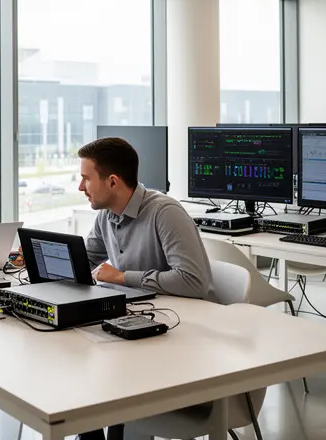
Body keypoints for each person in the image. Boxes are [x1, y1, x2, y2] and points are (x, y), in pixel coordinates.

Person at [75, 137, 215, 440]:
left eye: (86, 178)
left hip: (177, 345)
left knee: (91, 375)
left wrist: (122, 277)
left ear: (112, 181)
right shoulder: (106, 215)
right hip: (136, 330)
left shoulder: (165, 212)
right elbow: (85, 259)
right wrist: (41, 257)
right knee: (77, 370)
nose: (80, 186)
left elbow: (193, 282)